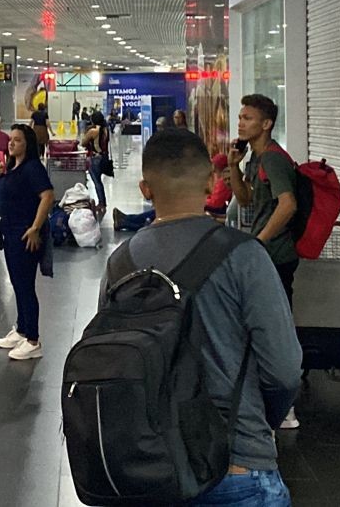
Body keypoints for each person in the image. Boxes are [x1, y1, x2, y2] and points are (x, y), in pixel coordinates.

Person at [100, 130, 302, 507]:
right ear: (211, 182)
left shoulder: (121, 264)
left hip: (148, 465)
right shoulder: (246, 256)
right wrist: (259, 423)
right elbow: (285, 369)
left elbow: (110, 361)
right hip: (237, 463)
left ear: (146, 189)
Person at [227, 94, 300, 428]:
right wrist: (233, 166)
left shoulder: (272, 159)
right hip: (265, 256)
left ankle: (286, 407)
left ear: (266, 124)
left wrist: (260, 241)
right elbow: (245, 200)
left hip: (277, 257)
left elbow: (288, 204)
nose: (241, 123)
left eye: (248, 118)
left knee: (275, 329)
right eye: (240, 117)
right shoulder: (255, 158)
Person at [0, 124, 56, 361]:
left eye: (17, 140)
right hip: (9, 233)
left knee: (26, 286)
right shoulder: (10, 168)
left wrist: (35, 227)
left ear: (27, 145)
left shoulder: (32, 168)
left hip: (25, 235)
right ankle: (22, 328)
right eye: (11, 139)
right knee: (17, 284)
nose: (11, 143)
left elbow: (48, 196)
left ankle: (33, 340)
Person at [81, 110, 109, 208]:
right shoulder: (105, 129)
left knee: (97, 182)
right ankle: (103, 201)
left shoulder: (93, 131)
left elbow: (83, 142)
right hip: (104, 156)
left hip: (95, 158)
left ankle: (101, 203)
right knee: (99, 181)